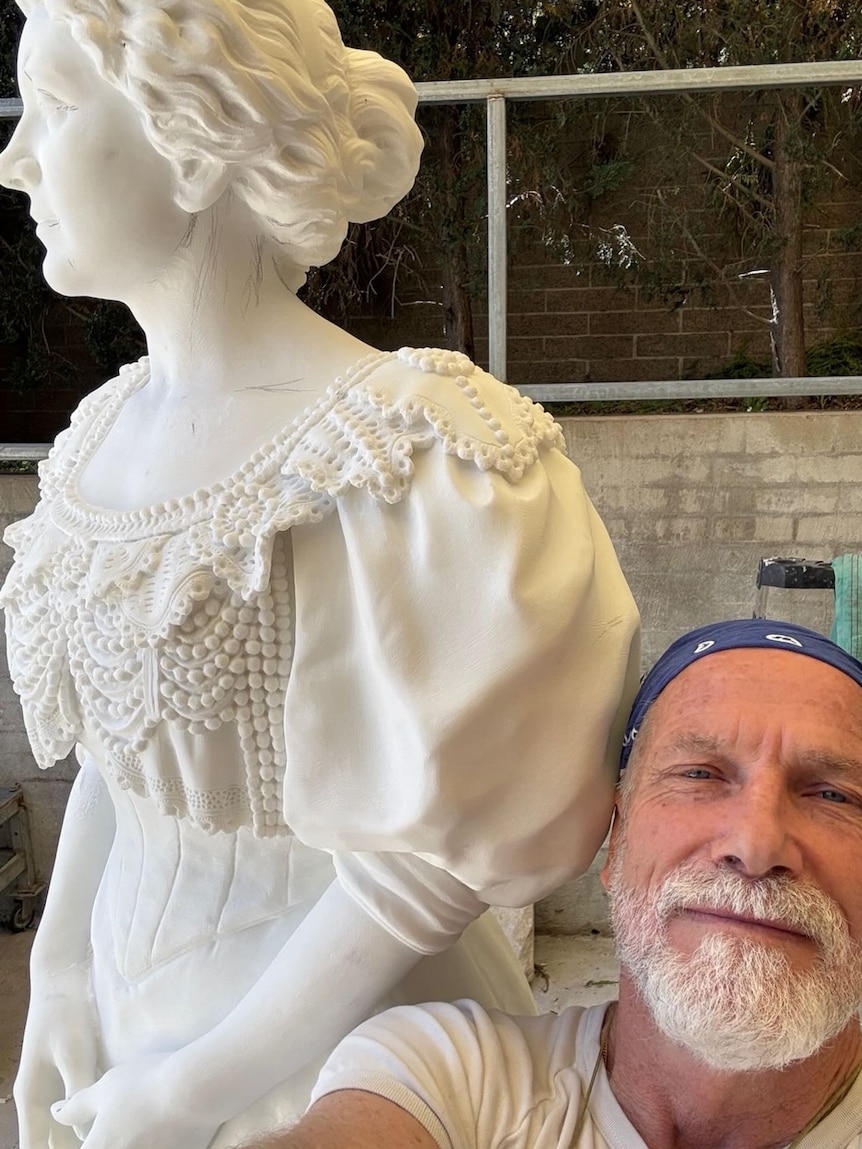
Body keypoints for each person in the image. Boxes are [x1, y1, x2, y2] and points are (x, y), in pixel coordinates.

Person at [0, 2, 640, 1147]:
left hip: (346, 1058)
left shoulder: (417, 454)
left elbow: (431, 863)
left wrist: (195, 1090)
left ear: (189, 140)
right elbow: (127, 749)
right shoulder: (98, 436)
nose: (14, 160)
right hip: (125, 1023)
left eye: (49, 105)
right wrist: (56, 973)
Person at [263, 619, 862, 1149]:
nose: (755, 846)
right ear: (617, 840)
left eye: (834, 794)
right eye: (699, 775)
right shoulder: (449, 1079)